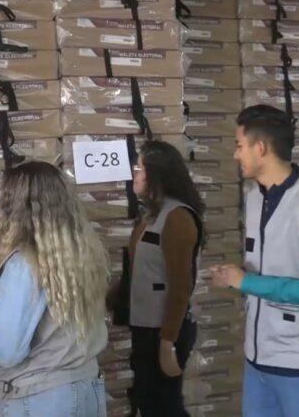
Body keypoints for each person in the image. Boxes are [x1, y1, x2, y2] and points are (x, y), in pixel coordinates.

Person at [211, 105, 299, 417]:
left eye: (239, 146)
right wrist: (236, 276)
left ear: (260, 148)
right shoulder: (254, 198)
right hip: (258, 358)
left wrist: (247, 282)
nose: (235, 154)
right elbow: (270, 264)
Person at [0, 161, 109, 416]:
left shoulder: (24, 264)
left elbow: (5, 350)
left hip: (38, 396)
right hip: (86, 386)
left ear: (14, 206)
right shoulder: (85, 252)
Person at [122, 140, 204, 417]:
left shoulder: (177, 217)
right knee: (149, 402)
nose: (134, 174)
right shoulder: (150, 216)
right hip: (145, 326)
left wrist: (168, 340)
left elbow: (181, 286)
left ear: (156, 174)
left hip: (165, 330)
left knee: (165, 406)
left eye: (139, 169)